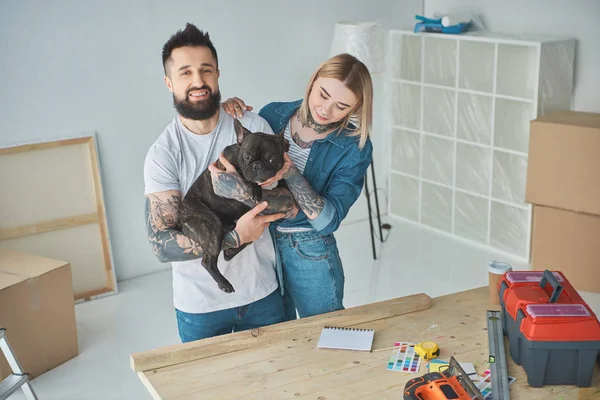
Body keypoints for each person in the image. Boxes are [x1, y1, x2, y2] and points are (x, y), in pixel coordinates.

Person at [143, 23, 298, 342]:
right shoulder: (163, 154)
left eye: (206, 70)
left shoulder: (253, 126)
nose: (197, 81)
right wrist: (234, 237)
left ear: (217, 74)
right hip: (199, 306)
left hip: (261, 293)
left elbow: (290, 201)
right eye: (185, 72)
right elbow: (161, 244)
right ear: (168, 82)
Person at [212, 53, 374, 321]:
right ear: (312, 82)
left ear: (356, 108)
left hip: (308, 249)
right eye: (322, 95)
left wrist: (290, 171)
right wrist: (226, 111)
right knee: (277, 339)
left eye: (341, 106)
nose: (326, 110)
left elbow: (328, 220)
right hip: (260, 245)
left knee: (325, 332)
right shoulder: (273, 113)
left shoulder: (354, 146)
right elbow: (239, 148)